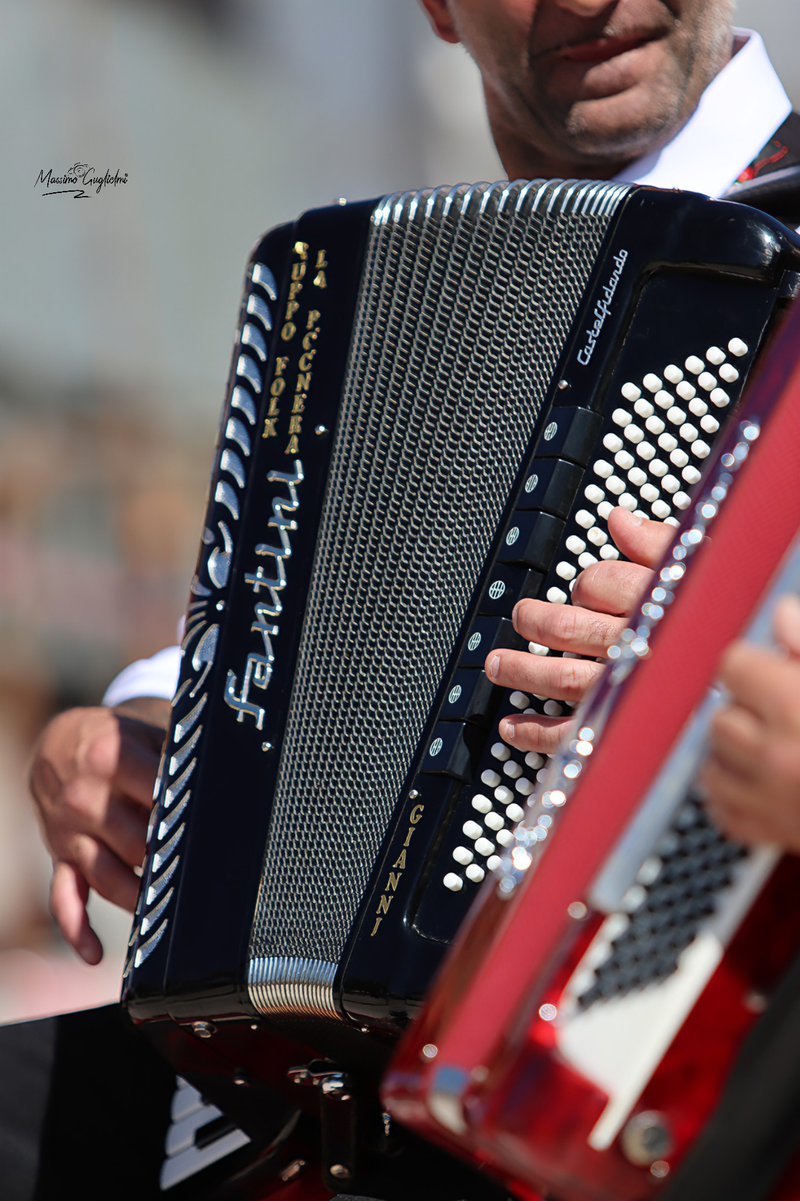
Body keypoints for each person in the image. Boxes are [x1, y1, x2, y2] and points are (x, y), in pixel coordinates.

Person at [28, 0, 800, 970]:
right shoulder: (416, 282)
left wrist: (707, 681)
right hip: (367, 1042)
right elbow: (314, 630)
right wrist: (137, 728)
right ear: (436, 8)